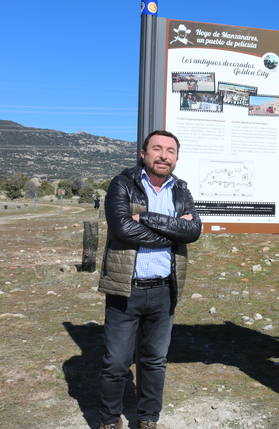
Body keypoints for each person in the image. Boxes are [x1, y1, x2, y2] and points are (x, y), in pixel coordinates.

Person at [97, 130, 201, 429]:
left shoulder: (180, 189)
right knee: (116, 362)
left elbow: (193, 232)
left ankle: (147, 419)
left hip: (164, 289)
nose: (164, 155)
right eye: (157, 148)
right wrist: (171, 231)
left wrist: (147, 218)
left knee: (154, 361)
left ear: (177, 158)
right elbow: (123, 229)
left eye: (170, 150)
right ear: (143, 154)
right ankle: (108, 420)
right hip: (125, 288)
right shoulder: (122, 183)